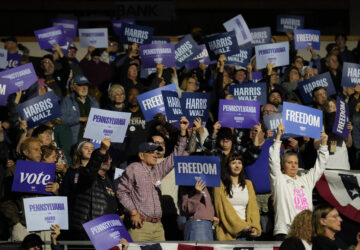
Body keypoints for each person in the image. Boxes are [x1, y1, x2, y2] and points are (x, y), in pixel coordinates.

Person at [117, 116, 189, 241]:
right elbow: (121, 192)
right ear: (141, 155)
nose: (155, 154)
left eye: (156, 152)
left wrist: (182, 133)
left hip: (158, 227)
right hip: (141, 226)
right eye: (151, 152)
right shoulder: (134, 168)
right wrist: (133, 212)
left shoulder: (157, 170)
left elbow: (176, 155)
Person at [269, 124, 329, 240]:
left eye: (296, 163)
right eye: (289, 162)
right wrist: (278, 137)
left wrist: (324, 144)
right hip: (285, 232)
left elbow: (320, 166)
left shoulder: (305, 180)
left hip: (306, 232)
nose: (293, 165)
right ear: (283, 165)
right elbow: (273, 161)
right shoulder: (279, 179)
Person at [68, 138, 123, 240]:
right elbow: (91, 170)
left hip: (106, 232)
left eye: (109, 159)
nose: (107, 161)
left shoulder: (109, 180)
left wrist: (119, 214)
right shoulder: (85, 174)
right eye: (104, 158)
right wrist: (102, 150)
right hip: (86, 231)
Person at [214, 153, 261, 241]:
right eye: (233, 163)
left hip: (248, 232)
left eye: (239, 163)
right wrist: (241, 226)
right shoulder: (219, 185)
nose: (237, 166)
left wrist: (255, 227)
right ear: (227, 165)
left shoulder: (249, 184)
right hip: (228, 233)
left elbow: (254, 209)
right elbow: (222, 211)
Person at [60, 74, 99, 144]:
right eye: (80, 85)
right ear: (74, 87)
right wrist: (79, 119)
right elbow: (61, 119)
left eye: (86, 85)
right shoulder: (67, 101)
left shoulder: (94, 102)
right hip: (73, 142)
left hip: (90, 142)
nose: (84, 88)